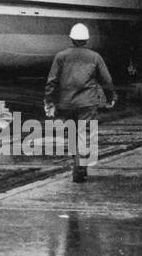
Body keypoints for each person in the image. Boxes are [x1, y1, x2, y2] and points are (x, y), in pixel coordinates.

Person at [43, 23, 114, 183]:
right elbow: (107, 80)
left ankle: (79, 165)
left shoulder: (60, 56)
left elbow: (51, 81)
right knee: (85, 136)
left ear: (71, 39)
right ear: (87, 40)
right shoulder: (95, 57)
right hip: (87, 104)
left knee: (73, 135)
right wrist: (110, 98)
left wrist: (49, 101)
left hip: (66, 104)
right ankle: (79, 169)